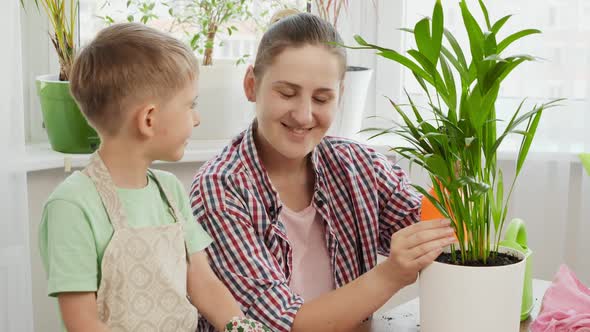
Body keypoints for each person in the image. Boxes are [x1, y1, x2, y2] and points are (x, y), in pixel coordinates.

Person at [190, 11, 457, 332]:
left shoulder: (359, 165)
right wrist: (391, 274)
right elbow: (279, 325)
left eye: (321, 98)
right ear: (251, 85)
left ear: (340, 96)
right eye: (287, 93)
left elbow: (438, 236)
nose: (304, 115)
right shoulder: (220, 188)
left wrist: (454, 172)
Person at [39, 23, 268, 332]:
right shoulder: (72, 205)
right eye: (191, 105)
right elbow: (83, 322)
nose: (197, 118)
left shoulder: (170, 191)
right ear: (148, 119)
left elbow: (202, 282)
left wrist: (243, 328)